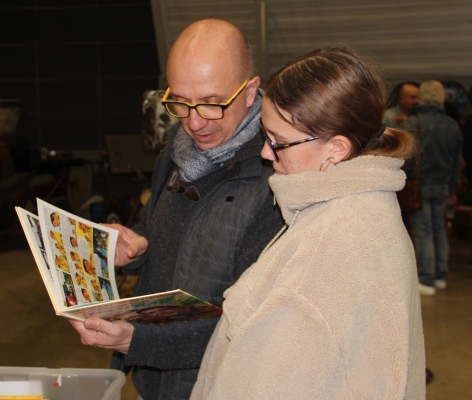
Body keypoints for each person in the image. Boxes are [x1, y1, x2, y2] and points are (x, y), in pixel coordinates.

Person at [191, 47, 426, 399]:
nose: (266, 153)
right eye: (265, 136)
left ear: (337, 149)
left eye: (279, 142)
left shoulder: (328, 248)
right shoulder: (368, 208)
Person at [69, 19, 284, 400]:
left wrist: (137, 341)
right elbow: (167, 233)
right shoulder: (177, 149)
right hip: (151, 381)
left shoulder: (275, 180)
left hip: (214, 387)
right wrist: (135, 245)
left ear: (251, 92)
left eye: (212, 103)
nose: (194, 122)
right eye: (180, 102)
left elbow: (249, 328)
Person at [404, 80, 462, 295]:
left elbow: (407, 158)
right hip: (444, 185)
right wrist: (452, 186)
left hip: (420, 185)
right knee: (440, 229)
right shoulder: (452, 125)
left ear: (421, 97)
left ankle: (426, 279)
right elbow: (458, 161)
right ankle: (440, 276)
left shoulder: (413, 122)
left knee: (424, 231)